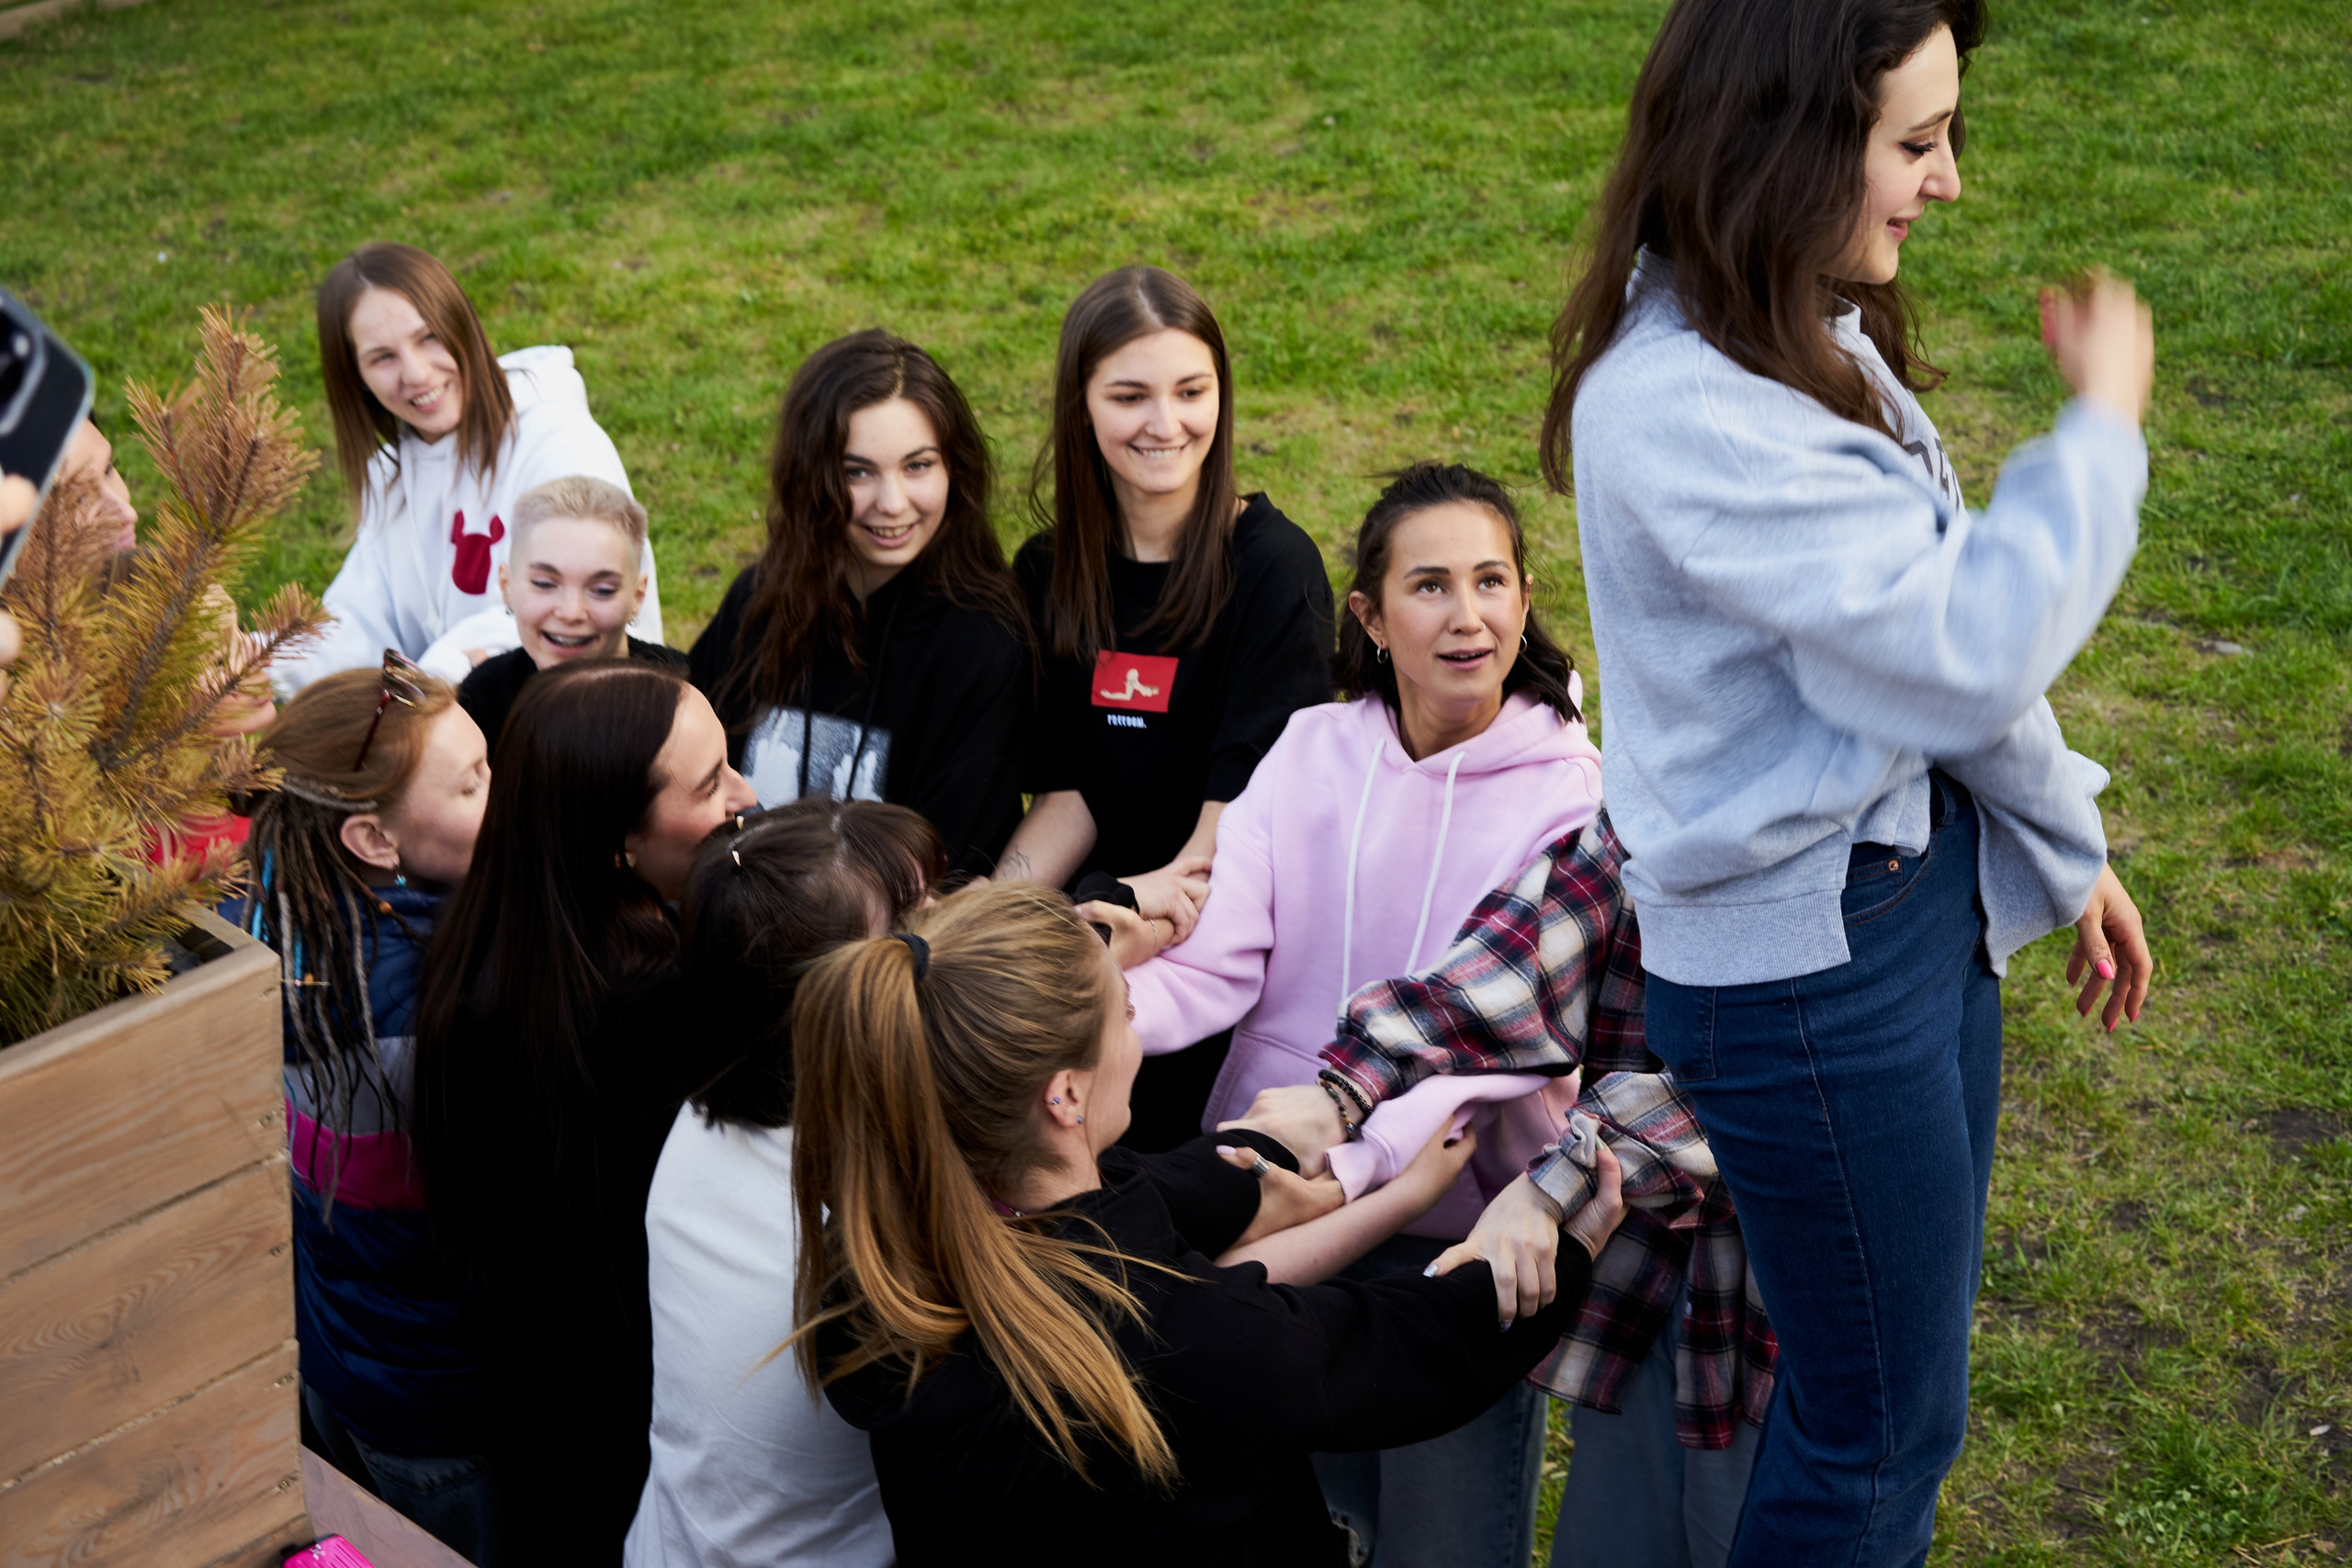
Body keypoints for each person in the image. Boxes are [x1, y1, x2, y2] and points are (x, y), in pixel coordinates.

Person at [1543, 1, 2156, 1560]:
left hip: (1906, 912)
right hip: (1812, 985)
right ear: (1784, 142)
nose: (1946, 181)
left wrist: (2060, 844)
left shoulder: (1801, 335)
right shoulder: (1688, 409)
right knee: (1873, 1437)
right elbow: (1970, 636)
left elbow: (1936, 666)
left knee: (1901, 1404)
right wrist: (2100, 433)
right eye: (1916, 141)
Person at [793, 880, 1630, 1567]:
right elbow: (1399, 1349)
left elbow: (1155, 1190)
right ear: (1065, 1095)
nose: (1135, 1031)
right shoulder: (1166, 1334)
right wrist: (1560, 1236)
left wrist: (1288, 1140)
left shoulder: (877, 1260)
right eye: (1123, 1012)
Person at [1083, 461, 1604, 1564]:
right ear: (1368, 616)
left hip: (1454, 1217)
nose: (1467, 617)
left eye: (1491, 582)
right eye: (1428, 587)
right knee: (1303, 1530)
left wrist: (1353, 1166)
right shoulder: (1311, 747)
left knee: (1440, 1544)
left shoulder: (1573, 791)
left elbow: (1491, 1045)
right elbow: (1220, 962)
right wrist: (1085, 1013)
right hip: (1285, 1198)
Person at [413, 660, 755, 1562]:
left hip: (520, 1386)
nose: (747, 796)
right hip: (620, 1419)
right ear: (619, 847)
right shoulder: (656, 1012)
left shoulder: (483, 931)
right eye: (713, 782)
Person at [999, 265, 1336, 1148]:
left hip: (1215, 955)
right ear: (1082, 406)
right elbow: (1066, 796)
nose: (1165, 423)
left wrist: (1141, 913)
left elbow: (1234, 829)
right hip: (1100, 939)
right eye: (1129, 395)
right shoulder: (1046, 570)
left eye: (1192, 391)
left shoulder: (1274, 568)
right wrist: (992, 924)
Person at [222, 660, 501, 1562]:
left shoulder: (269, 892)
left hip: (340, 1345)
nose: (504, 792)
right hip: (435, 1395)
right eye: (472, 783)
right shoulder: (423, 1004)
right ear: (375, 842)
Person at [623, 798, 944, 1568]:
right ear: (834, 1007)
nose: (941, 943)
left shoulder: (705, 1115)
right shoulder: (877, 1197)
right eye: (915, 930)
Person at [690, 330, 1030, 879]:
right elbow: (679, 772)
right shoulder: (761, 600)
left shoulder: (982, 645)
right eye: (857, 472)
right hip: (726, 924)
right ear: (811, 477)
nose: (892, 504)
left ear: (954, 469)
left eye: (918, 466)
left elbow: (946, 873)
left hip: (878, 956)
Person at [276, 242, 662, 693]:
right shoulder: (390, 477)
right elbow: (359, 626)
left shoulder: (558, 443)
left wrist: (430, 682)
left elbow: (567, 614)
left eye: (429, 337)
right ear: (355, 377)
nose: (417, 373)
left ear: (463, 328)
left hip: (588, 716)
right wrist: (257, 664)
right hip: (459, 732)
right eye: (383, 357)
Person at [458, 475, 685, 755]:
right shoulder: (482, 700)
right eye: (544, 584)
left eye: (602, 590)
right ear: (507, 587)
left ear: (637, 597)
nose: (570, 612)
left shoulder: (682, 696)